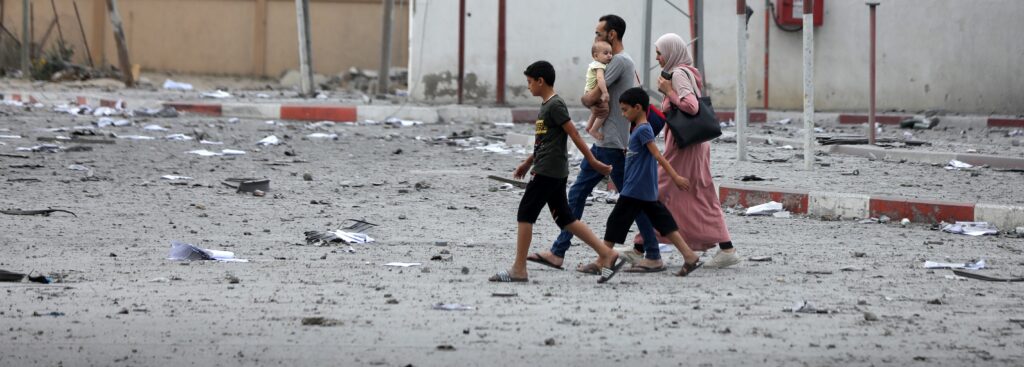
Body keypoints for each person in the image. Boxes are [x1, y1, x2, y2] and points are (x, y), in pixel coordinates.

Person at [526, 14, 661, 274]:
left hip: (612, 143)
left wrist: (588, 99)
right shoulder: (624, 62)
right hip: (612, 141)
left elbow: (589, 98)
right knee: (602, 196)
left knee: (621, 198)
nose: (596, 38)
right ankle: (558, 251)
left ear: (612, 35)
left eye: (599, 33)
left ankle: (652, 253)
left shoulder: (618, 62)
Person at [489, 61, 624, 284]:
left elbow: (575, 135)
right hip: (550, 169)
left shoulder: (555, 105)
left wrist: (593, 161)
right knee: (566, 218)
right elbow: (545, 142)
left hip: (548, 171)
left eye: (530, 82)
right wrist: (527, 162)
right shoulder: (547, 106)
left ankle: (519, 269)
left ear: (541, 81)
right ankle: (607, 253)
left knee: (525, 213)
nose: (528, 87)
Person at [618, 33, 740, 271]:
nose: (657, 58)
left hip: (685, 147)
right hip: (692, 144)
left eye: (660, 53)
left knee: (657, 191)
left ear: (671, 52)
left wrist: (668, 91)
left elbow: (692, 107)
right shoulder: (686, 71)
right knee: (700, 193)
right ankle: (727, 249)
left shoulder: (678, 74)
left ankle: (642, 249)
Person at [602, 87, 703, 276]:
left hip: (635, 188)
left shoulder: (643, 129)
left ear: (638, 107)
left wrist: (675, 177)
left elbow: (658, 155)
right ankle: (689, 256)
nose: (623, 114)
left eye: (625, 110)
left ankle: (602, 259)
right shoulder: (639, 130)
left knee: (615, 222)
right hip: (643, 189)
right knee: (663, 222)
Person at [584, 40, 614, 141]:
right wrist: (605, 93)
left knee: (596, 111)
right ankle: (594, 130)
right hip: (593, 93)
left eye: (610, 53)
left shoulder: (594, 64)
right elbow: (600, 79)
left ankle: (588, 127)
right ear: (596, 56)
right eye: (605, 53)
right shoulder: (599, 66)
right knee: (604, 111)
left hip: (588, 92)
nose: (609, 56)